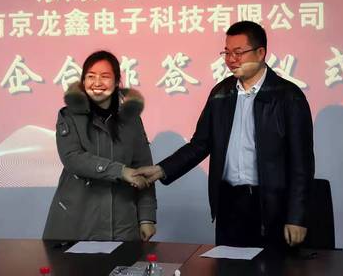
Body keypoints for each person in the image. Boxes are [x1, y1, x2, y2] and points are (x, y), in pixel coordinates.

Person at [136, 21, 314, 248]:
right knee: (227, 263)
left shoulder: (288, 96)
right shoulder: (221, 94)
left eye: (238, 52)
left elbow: (302, 163)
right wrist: (161, 169)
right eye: (227, 53)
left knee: (270, 265)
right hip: (229, 203)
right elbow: (200, 144)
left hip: (271, 206)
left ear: (260, 53)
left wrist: (296, 216)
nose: (231, 59)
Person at [43, 50, 157, 242]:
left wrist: (147, 217)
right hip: (77, 222)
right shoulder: (69, 116)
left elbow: (144, 169)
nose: (97, 82)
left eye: (105, 76)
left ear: (117, 81)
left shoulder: (131, 119)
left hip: (122, 223)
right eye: (90, 76)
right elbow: (72, 158)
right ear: (83, 81)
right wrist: (121, 171)